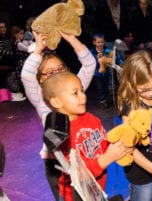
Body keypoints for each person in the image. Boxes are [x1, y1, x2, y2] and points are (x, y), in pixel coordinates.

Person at [21, 31, 96, 201]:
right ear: (40, 80)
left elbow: (90, 63)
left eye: (59, 68)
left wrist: (71, 39)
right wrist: (38, 49)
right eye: (49, 72)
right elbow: (26, 75)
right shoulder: (42, 98)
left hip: (83, 157)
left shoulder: (73, 87)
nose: (56, 73)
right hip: (58, 163)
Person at [41, 71, 132, 201]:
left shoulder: (91, 118)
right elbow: (77, 175)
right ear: (56, 102)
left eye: (82, 91)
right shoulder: (59, 134)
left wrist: (118, 146)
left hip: (97, 187)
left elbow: (102, 144)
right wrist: (107, 159)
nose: (83, 96)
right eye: (75, 93)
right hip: (75, 195)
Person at [117, 50, 152, 201]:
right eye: (145, 89)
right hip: (141, 173)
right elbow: (129, 147)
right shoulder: (131, 107)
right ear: (131, 83)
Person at [89, 33, 123, 108]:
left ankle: (107, 99)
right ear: (94, 42)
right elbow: (91, 60)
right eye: (98, 42)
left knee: (106, 86)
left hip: (106, 73)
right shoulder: (92, 51)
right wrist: (98, 59)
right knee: (100, 87)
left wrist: (117, 60)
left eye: (102, 42)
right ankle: (102, 100)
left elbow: (113, 56)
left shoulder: (107, 50)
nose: (100, 44)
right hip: (97, 73)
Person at [6, 25, 29, 101]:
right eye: (21, 33)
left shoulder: (22, 42)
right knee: (24, 81)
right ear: (16, 35)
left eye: (23, 33)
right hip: (22, 64)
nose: (23, 35)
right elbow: (28, 49)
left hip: (25, 63)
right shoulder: (18, 44)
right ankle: (26, 96)